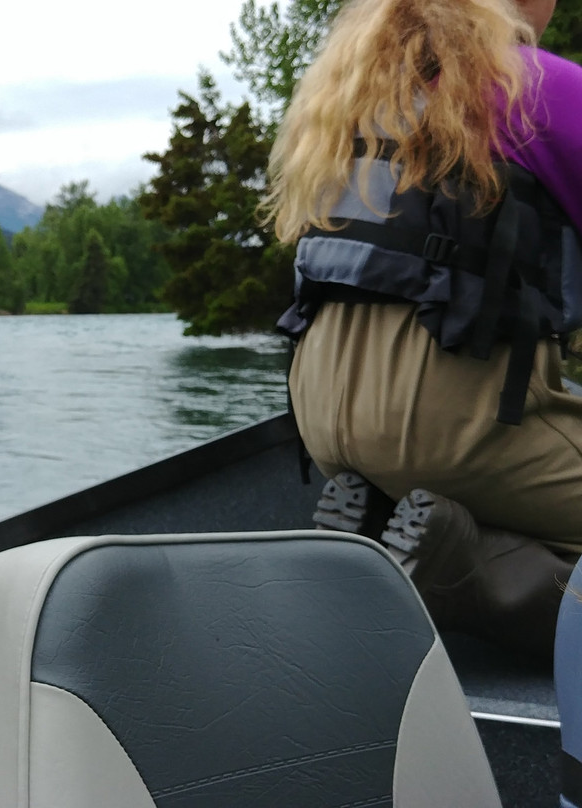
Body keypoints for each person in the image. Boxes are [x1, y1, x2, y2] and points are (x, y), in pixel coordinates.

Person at [265, 0, 582, 661]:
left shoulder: (353, 95)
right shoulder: (538, 88)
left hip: (322, 419)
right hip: (443, 420)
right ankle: (468, 578)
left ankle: (391, 523)